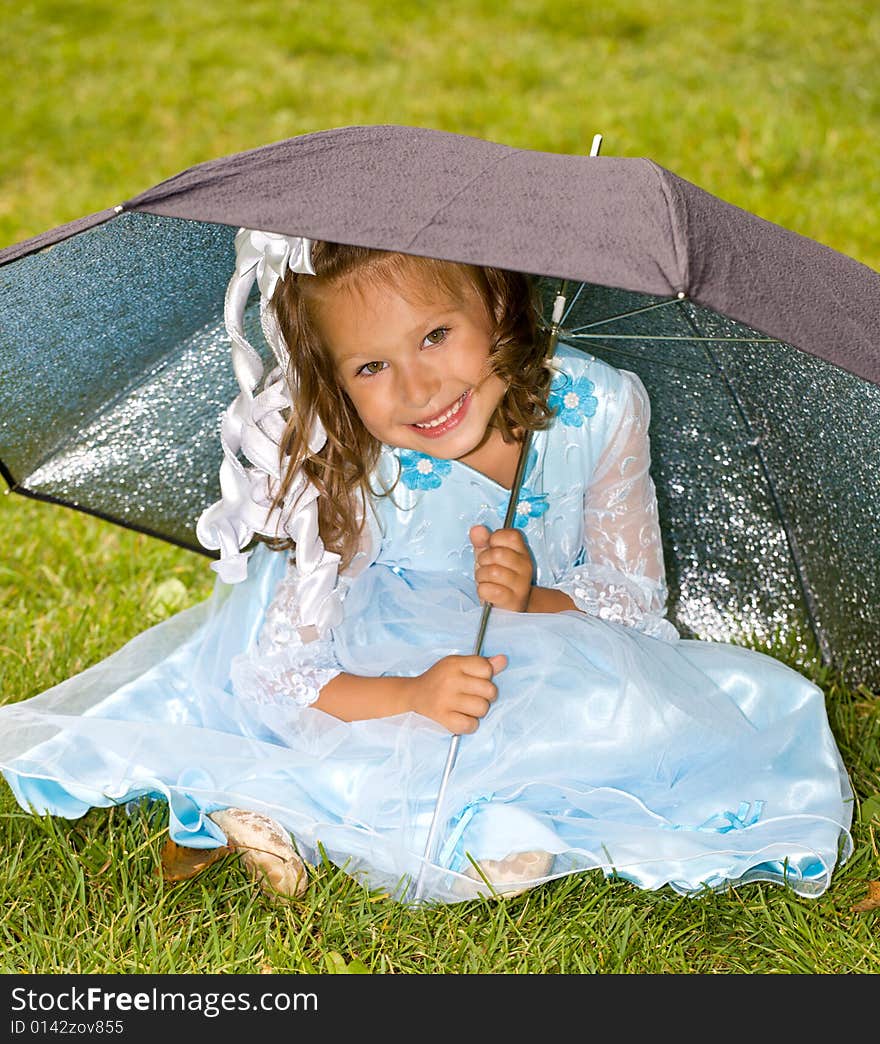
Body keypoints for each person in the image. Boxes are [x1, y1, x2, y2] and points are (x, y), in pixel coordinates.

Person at [0, 230, 854, 904]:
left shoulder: (603, 406)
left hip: (554, 641)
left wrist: (538, 594)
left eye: (436, 335)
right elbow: (282, 676)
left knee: (641, 714)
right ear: (333, 380)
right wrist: (408, 695)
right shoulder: (358, 468)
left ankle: (476, 820)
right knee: (401, 731)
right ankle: (289, 807)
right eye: (371, 367)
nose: (417, 389)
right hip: (384, 651)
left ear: (497, 303)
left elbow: (635, 606)